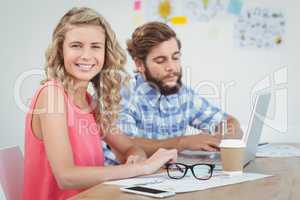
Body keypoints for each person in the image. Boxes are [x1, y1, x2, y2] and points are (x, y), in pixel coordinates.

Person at [23, 8, 177, 200]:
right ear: (61, 50)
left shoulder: (88, 102)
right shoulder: (52, 94)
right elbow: (66, 177)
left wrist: (135, 157)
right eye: (76, 45)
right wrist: (142, 168)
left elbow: (129, 147)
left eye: (95, 46)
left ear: (106, 53)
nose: (86, 55)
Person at [103, 21, 242, 164]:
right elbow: (125, 145)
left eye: (175, 58)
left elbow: (230, 122)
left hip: (166, 177)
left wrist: (222, 140)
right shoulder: (123, 94)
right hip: (120, 181)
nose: (171, 67)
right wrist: (183, 142)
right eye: (160, 60)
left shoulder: (183, 95)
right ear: (140, 64)